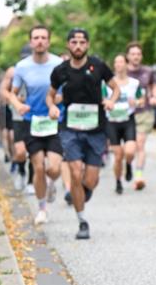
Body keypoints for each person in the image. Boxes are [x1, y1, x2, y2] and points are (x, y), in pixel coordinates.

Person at [46, 29, 119, 240]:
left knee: (91, 180)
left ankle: (81, 193)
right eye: (74, 42)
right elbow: (50, 96)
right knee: (75, 173)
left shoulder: (98, 66)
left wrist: (112, 100)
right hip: (71, 129)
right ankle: (82, 221)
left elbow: (115, 88)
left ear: (87, 45)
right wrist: (52, 107)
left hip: (96, 129)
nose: (78, 46)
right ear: (68, 45)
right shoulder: (60, 71)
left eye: (82, 42)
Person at [2, 25, 64, 225]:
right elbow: (12, 92)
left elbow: (66, 91)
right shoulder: (22, 67)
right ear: (31, 42)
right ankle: (42, 209)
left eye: (43, 37)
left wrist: (56, 104)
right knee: (38, 167)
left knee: (53, 169)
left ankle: (52, 183)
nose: (39, 41)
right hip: (32, 122)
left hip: (54, 121)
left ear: (49, 41)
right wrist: (18, 104)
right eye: (36, 38)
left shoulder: (59, 63)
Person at [105, 53, 140, 195]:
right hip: (112, 122)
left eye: (121, 62)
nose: (118, 65)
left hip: (128, 120)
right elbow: (102, 98)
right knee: (118, 156)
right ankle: (118, 181)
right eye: (116, 62)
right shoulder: (107, 83)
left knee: (130, 151)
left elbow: (141, 99)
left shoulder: (134, 83)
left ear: (126, 64)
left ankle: (129, 164)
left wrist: (136, 102)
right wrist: (106, 102)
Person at [1, 44, 34, 192]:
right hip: (18, 116)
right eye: (24, 58)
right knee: (20, 151)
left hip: (37, 116)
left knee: (35, 151)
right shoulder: (13, 71)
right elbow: (4, 92)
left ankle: (31, 182)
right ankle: (21, 171)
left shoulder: (42, 69)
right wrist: (14, 100)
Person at [126, 42, 156, 190]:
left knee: (140, 144)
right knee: (128, 149)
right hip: (126, 114)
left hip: (144, 112)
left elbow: (153, 86)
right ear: (127, 56)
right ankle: (128, 164)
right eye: (133, 54)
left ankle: (138, 174)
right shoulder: (122, 71)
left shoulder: (148, 71)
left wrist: (154, 97)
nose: (136, 57)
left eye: (138, 54)